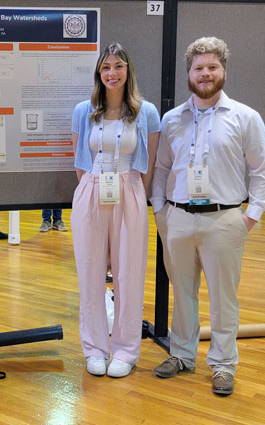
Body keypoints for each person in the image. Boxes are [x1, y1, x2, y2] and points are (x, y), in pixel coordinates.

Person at [151, 37, 265, 396]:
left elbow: (261, 171)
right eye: (198, 68)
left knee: (223, 297)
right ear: (189, 73)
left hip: (225, 219)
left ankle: (222, 364)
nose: (205, 74)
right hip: (178, 218)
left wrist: (251, 215)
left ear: (223, 71)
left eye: (212, 67)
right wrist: (160, 207)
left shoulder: (245, 118)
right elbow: (161, 168)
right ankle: (182, 354)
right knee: (182, 293)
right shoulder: (172, 119)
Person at [70, 42, 160, 378]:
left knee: (129, 274)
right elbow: (80, 160)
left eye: (118, 66)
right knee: (91, 272)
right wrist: (90, 189)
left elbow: (148, 164)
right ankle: (94, 348)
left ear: (128, 71)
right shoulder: (84, 110)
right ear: (99, 72)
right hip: (92, 189)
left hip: (130, 189)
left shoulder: (145, 111)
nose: (112, 73)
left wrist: (136, 194)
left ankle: (125, 350)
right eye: (106, 67)